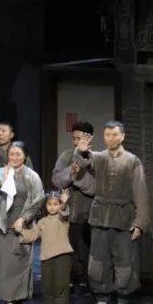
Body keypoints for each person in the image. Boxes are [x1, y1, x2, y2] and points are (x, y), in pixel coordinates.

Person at [74, 121, 150, 304]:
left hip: (124, 219)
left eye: (115, 135)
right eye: (107, 135)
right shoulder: (98, 157)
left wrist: (140, 223)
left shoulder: (132, 161)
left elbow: (141, 193)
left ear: (122, 136)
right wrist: (80, 150)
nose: (111, 138)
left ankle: (123, 302)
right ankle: (102, 300)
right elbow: (82, 163)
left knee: (125, 262)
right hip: (100, 217)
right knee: (98, 263)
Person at [0, 141, 44, 304]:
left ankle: (18, 301)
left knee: (21, 264)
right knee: (4, 266)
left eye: (18, 154)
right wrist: (1, 183)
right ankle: (6, 300)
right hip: (3, 226)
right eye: (12, 154)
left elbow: (38, 201)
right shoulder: (0, 172)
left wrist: (24, 219)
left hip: (22, 226)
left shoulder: (32, 176)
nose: (14, 157)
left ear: (25, 156)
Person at [0, 121, 35, 294]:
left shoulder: (23, 155)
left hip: (16, 212)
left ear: (12, 134)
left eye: (3, 131)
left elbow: (30, 182)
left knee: (16, 250)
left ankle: (17, 285)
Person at [51, 121, 95, 293]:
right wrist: (71, 172)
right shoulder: (67, 155)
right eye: (74, 138)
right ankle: (71, 276)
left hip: (90, 210)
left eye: (80, 138)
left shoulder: (96, 157)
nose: (76, 142)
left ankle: (86, 277)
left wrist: (78, 177)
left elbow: (95, 185)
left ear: (90, 138)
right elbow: (56, 180)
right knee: (69, 245)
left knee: (86, 246)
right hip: (70, 208)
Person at [17, 190, 74, 304]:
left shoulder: (62, 219)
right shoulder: (42, 221)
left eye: (55, 204)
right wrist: (20, 231)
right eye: (49, 204)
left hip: (62, 256)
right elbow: (33, 235)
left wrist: (64, 204)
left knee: (60, 283)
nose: (52, 207)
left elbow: (64, 213)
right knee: (48, 283)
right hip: (47, 256)